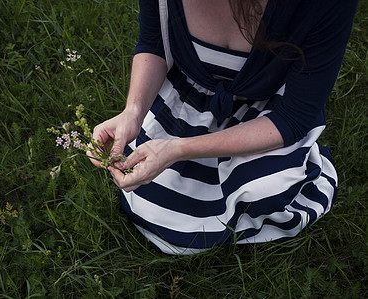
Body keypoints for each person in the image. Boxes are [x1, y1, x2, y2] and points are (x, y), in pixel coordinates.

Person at [89, 0, 358, 254]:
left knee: (263, 193)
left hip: (265, 116)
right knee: (155, 203)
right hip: (190, 102)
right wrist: (133, 112)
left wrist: (177, 149)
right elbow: (154, 44)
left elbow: (293, 116)